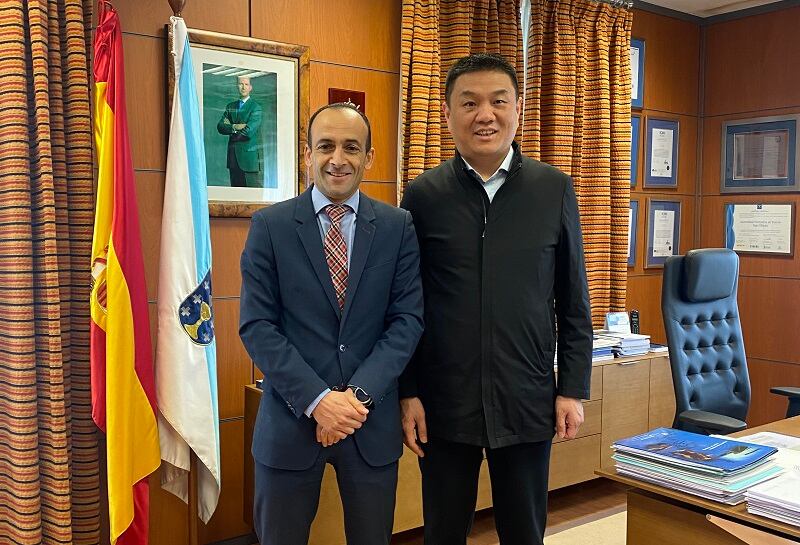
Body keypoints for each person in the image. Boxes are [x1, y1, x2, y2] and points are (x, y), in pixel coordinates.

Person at [399, 53, 593, 545]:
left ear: (519, 108)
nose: (484, 115)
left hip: (526, 398)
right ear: (447, 114)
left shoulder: (553, 189)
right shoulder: (424, 195)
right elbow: (405, 305)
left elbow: (573, 300)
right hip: (444, 402)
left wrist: (570, 388)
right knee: (442, 531)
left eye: (497, 101)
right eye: (469, 103)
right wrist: (409, 391)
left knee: (524, 532)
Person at [240, 102, 424, 545]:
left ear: (369, 157)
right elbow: (257, 326)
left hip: (369, 422)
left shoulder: (398, 227)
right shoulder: (271, 226)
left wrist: (353, 400)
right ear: (307, 154)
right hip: (290, 421)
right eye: (325, 146)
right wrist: (319, 400)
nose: (337, 159)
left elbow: (407, 320)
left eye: (351, 147)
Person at [217, 75, 263, 188]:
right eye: (240, 84)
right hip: (233, 160)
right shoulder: (230, 106)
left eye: (246, 84)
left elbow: (248, 132)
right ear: (236, 86)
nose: (243, 87)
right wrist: (235, 126)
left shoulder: (256, 107)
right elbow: (220, 126)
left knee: (251, 197)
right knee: (235, 196)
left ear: (250, 87)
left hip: (249, 161)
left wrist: (231, 130)